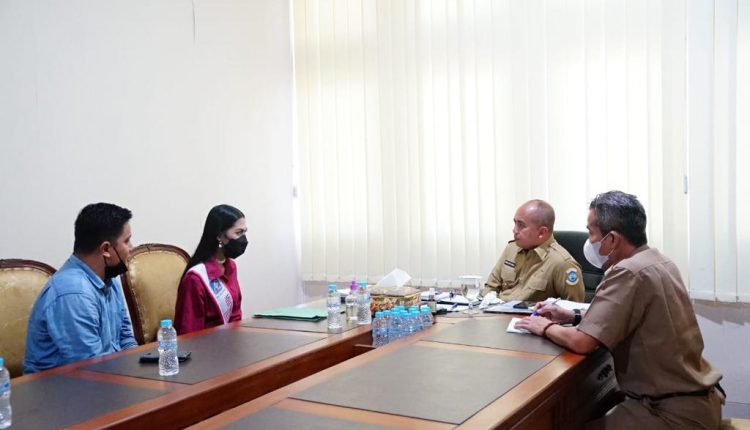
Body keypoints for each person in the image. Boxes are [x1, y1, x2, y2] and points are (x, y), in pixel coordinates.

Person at [515, 191, 723, 429]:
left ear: (612, 239)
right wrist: (573, 315)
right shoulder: (659, 261)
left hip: (671, 414)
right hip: (698, 402)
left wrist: (545, 327)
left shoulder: (627, 272)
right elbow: (633, 313)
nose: (589, 241)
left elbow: (583, 342)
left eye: (591, 233)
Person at [24, 203, 138, 373]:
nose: (132, 248)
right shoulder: (73, 294)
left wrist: (141, 369)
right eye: (127, 241)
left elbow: (125, 339)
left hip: (105, 377)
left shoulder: (108, 277)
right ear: (106, 249)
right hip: (63, 386)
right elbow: (91, 368)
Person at [483, 199, 584, 302]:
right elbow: (490, 287)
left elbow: (573, 307)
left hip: (530, 312)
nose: (514, 230)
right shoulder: (511, 248)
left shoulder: (562, 263)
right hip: (496, 310)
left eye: (521, 225)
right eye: (515, 223)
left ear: (542, 232)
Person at [174, 204, 247, 335]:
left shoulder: (230, 266)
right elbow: (190, 333)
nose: (243, 239)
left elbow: (235, 316)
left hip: (231, 341)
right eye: (238, 233)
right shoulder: (195, 278)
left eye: (244, 232)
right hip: (205, 345)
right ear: (219, 235)